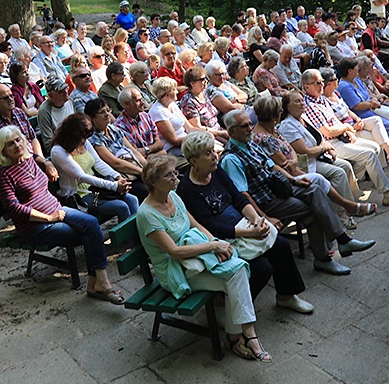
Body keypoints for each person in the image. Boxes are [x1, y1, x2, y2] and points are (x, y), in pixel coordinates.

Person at [138, 153, 271, 361]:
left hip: (197, 255)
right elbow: (173, 251)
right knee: (236, 273)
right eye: (169, 176)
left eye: (175, 173)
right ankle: (243, 336)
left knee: (239, 269)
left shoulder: (173, 196)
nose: (175, 178)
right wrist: (211, 245)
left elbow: (195, 225)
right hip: (176, 270)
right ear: (153, 182)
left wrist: (216, 245)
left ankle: (240, 335)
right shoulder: (147, 215)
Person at [219, 109, 376, 276]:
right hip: (266, 201)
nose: (250, 128)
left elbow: (273, 165)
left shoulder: (248, 143)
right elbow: (242, 195)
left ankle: (335, 248)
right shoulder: (231, 158)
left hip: (278, 189)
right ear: (232, 131)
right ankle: (335, 248)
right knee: (313, 210)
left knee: (315, 188)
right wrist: (263, 217)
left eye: (250, 124)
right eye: (245, 126)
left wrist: (294, 180)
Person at [178, 131, 313, 313]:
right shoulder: (187, 189)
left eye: (213, 150)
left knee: (280, 245)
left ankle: (286, 296)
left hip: (240, 224)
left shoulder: (216, 172)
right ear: (193, 161)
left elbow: (238, 199)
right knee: (261, 268)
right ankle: (234, 311)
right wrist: (250, 232)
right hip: (220, 237)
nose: (214, 156)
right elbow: (210, 226)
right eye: (208, 153)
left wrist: (257, 220)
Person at [0, 125, 122, 303]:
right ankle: (100, 285)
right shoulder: (1, 174)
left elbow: (38, 160)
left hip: (58, 210)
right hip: (37, 225)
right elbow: (14, 208)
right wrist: (48, 218)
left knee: (91, 224)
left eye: (18, 140)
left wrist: (47, 162)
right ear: (2, 150)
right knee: (86, 234)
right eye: (9, 144)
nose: (16, 145)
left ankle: (97, 282)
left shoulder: (30, 160)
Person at [254, 95, 373, 228]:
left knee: (343, 167)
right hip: (288, 175)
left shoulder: (274, 129)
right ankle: (345, 210)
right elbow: (285, 162)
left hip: (298, 165)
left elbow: (290, 149)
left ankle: (350, 205)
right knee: (323, 179)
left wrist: (294, 160)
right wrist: (298, 162)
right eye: (279, 112)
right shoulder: (263, 137)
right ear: (273, 116)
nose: (281, 115)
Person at [301, 68, 389, 207]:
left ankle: (370, 179)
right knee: (368, 154)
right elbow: (327, 131)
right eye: (317, 83)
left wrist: (347, 130)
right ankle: (388, 194)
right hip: (330, 145)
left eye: (321, 82)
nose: (321, 86)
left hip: (340, 137)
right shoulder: (309, 105)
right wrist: (347, 128)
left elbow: (334, 120)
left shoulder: (320, 99)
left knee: (375, 147)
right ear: (306, 86)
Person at [50, 113, 138, 222]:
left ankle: (138, 236)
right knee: (121, 207)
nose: (84, 140)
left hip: (96, 189)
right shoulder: (58, 151)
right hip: (79, 195)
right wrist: (114, 186)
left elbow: (98, 163)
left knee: (132, 199)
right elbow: (81, 176)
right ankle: (128, 239)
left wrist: (118, 177)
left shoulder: (84, 143)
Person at [0, 84, 58, 178]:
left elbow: (33, 138)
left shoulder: (19, 112)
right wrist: (31, 164)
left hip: (32, 160)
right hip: (13, 169)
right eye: (5, 98)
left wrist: (42, 161)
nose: (10, 99)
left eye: (11, 96)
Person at [84, 98, 149, 202]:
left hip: (135, 167)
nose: (107, 114)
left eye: (108, 110)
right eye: (102, 112)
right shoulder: (93, 139)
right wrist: (143, 172)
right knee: (146, 190)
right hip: (121, 176)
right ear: (92, 118)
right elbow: (115, 163)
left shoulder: (114, 129)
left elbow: (132, 150)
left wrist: (148, 167)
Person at [336, 57, 389, 145]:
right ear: (350, 71)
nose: (358, 69)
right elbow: (357, 106)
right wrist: (371, 104)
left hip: (371, 108)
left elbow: (368, 93)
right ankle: (387, 151)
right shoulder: (345, 87)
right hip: (362, 113)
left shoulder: (356, 80)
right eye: (356, 67)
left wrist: (375, 98)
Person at [179, 66, 228, 144]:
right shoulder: (189, 102)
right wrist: (221, 134)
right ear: (192, 84)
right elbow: (197, 127)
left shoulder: (204, 92)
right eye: (202, 80)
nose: (206, 81)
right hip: (208, 137)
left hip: (219, 129)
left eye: (206, 78)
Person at [149, 77, 190, 158]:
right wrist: (196, 138)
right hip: (172, 149)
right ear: (167, 94)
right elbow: (174, 141)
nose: (177, 91)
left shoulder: (172, 104)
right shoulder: (158, 111)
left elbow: (189, 128)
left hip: (186, 141)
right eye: (174, 89)